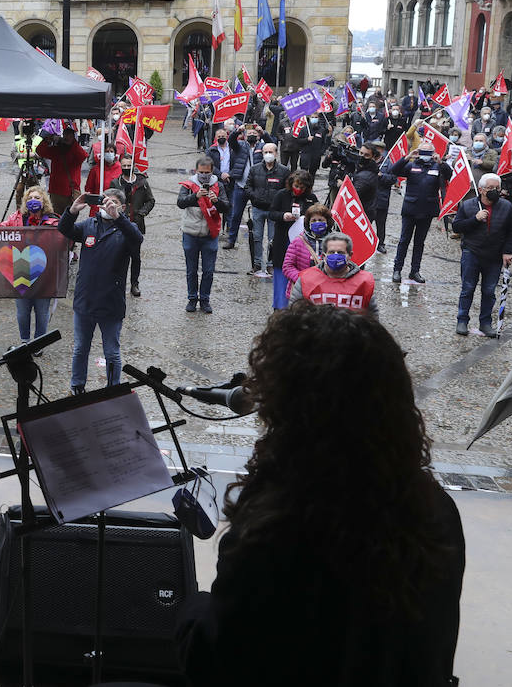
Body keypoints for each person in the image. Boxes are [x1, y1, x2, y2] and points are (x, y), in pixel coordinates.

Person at [178, 304, 464, 685]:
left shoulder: (277, 523)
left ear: (287, 406)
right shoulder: (436, 509)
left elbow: (215, 660)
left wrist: (190, 609)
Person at [59, 188, 142, 393]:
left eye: (113, 202)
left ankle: (113, 388)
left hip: (110, 302)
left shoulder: (126, 228)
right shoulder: (89, 225)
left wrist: (118, 218)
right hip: (85, 300)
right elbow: (64, 229)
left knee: (112, 352)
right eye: (105, 201)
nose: (108, 205)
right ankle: (77, 386)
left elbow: (137, 239)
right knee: (80, 349)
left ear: (122, 207)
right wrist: (72, 211)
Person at [450, 174, 512, 337]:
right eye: (490, 188)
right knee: (467, 288)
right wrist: (475, 219)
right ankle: (462, 320)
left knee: (489, 291)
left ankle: (485, 323)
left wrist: (508, 251)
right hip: (471, 252)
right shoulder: (467, 205)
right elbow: (457, 227)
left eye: (497, 188)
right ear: (480, 190)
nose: (494, 191)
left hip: (494, 256)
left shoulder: (507, 207)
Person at [2, 187, 63, 342]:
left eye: (37, 197)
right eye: (29, 198)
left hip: (45, 273)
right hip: (21, 270)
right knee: (22, 311)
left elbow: (65, 241)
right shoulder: (16, 218)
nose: (33, 201)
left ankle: (38, 342)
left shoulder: (54, 222)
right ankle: (24, 341)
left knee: (42, 312)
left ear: (44, 201)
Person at [389, 140, 451, 284]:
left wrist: (440, 162)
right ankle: (397, 270)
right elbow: (394, 170)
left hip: (427, 210)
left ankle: (415, 270)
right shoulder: (411, 165)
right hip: (410, 209)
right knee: (404, 240)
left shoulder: (437, 167)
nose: (425, 155)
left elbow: (449, 175)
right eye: (422, 152)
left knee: (419, 242)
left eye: (428, 153)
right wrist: (408, 156)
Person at [177, 156, 228, 314]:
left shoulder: (218, 185)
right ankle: (192, 298)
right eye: (201, 172)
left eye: (207, 172)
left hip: (209, 233)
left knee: (208, 270)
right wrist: (196, 196)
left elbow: (226, 206)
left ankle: (205, 299)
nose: (204, 175)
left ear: (212, 171)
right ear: (196, 171)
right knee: (191, 270)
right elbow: (180, 202)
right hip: (190, 232)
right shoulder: (189, 184)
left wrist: (216, 201)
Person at [288, 231, 376, 315]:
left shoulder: (364, 282)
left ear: (350, 255)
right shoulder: (306, 279)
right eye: (331, 252)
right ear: (323, 256)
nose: (335, 255)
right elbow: (294, 312)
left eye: (340, 252)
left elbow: (372, 317)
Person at [267, 171, 319, 309]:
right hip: (283, 241)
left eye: (302, 187)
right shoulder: (281, 194)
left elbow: (317, 215)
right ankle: (279, 307)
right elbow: (271, 213)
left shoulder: (311, 198)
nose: (298, 189)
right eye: (296, 185)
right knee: (281, 275)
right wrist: (283, 216)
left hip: (303, 244)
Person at [111, 152, 155, 298]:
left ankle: (134, 284)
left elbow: (151, 200)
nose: (126, 168)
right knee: (118, 256)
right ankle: (118, 283)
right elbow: (110, 199)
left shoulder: (142, 182)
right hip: (119, 225)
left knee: (135, 256)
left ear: (133, 166)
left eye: (129, 166)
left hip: (136, 225)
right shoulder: (116, 183)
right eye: (123, 165)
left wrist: (142, 213)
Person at [243, 142, 287, 277]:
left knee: (273, 239)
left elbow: (287, 190)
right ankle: (256, 263)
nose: (268, 155)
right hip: (258, 208)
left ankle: (270, 264)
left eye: (271, 152)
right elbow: (247, 187)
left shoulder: (284, 171)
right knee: (257, 237)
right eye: (265, 152)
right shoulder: (255, 169)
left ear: (276, 153)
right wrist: (255, 197)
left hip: (274, 211)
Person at [282, 204, 334, 303]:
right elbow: (287, 267)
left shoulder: (336, 242)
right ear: (308, 223)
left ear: (327, 222)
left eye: (321, 220)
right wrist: (303, 280)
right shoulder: (298, 242)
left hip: (328, 292)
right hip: (302, 293)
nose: (317, 223)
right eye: (314, 220)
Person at [36, 125, 87, 215]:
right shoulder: (57, 150)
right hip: (56, 191)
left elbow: (83, 156)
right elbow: (40, 151)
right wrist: (48, 140)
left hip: (71, 191)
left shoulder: (75, 151)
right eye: (65, 135)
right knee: (56, 217)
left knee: (70, 218)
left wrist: (73, 143)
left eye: (70, 135)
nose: (67, 137)